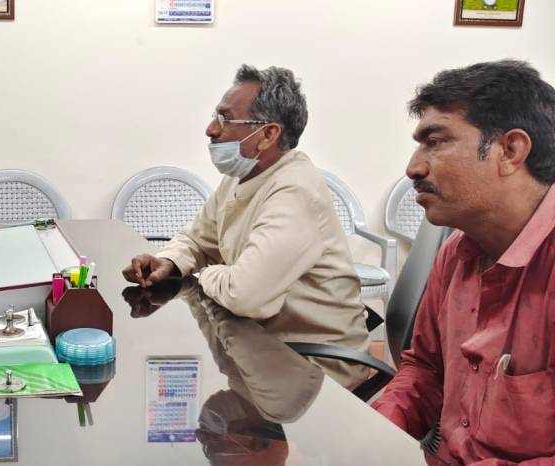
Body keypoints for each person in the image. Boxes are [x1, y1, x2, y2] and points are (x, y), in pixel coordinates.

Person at [122, 64, 369, 388]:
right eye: (215, 116)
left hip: (314, 366)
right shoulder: (243, 176)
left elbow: (244, 295)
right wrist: (169, 261)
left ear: (268, 134)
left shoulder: (295, 190)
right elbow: (198, 240)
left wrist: (204, 273)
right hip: (261, 345)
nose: (211, 129)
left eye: (225, 119)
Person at [373, 59, 555, 464]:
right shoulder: (456, 253)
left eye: (435, 141)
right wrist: (371, 435)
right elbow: (425, 370)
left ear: (510, 150)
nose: (414, 167)